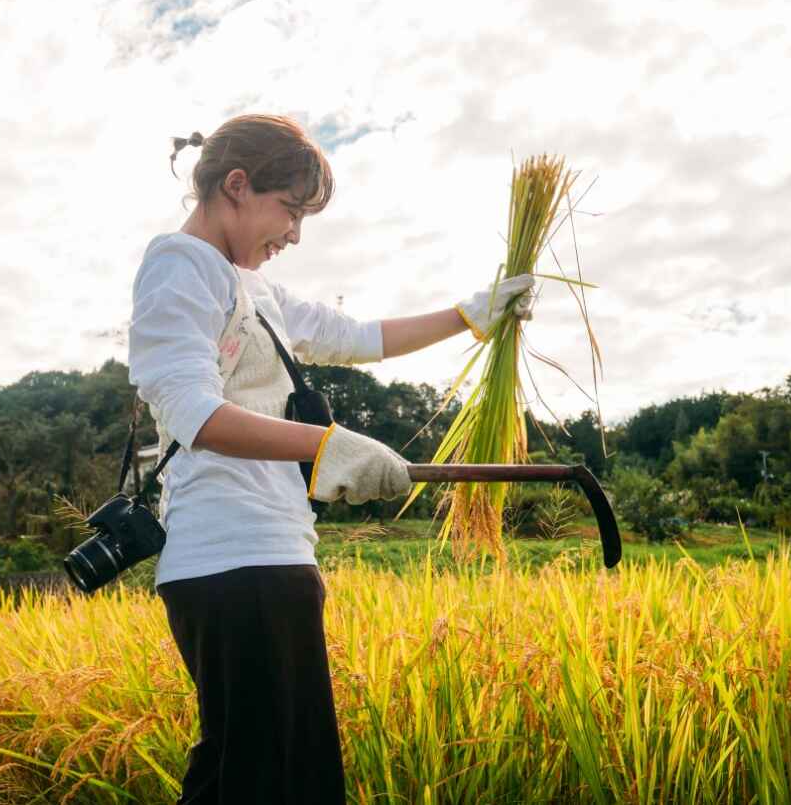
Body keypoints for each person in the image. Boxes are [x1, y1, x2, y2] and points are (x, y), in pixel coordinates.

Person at [128, 114, 535, 804]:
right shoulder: (179, 266)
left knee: (277, 774)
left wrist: (475, 313)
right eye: (290, 209)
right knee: (266, 780)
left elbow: (358, 336)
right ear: (236, 185)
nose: (294, 234)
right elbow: (191, 412)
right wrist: (328, 446)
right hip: (230, 561)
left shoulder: (256, 288)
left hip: (276, 555)